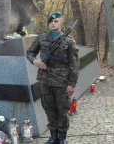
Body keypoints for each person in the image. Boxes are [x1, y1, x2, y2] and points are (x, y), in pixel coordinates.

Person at [26, 12, 79, 144]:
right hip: (45, 79)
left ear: (61, 23)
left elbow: (74, 64)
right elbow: (30, 52)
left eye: (56, 21)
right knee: (49, 108)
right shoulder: (41, 38)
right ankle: (53, 136)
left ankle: (62, 138)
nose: (53, 23)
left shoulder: (68, 40)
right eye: (51, 21)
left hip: (62, 81)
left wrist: (72, 84)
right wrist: (35, 61)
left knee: (62, 109)